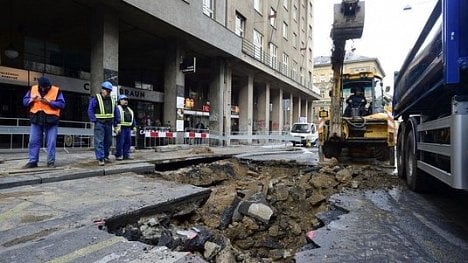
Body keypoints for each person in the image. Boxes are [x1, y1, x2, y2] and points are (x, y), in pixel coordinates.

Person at [22, 77, 66, 168]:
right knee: (33, 141)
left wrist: (49, 102)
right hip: (36, 119)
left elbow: (62, 104)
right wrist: (31, 100)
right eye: (42, 87)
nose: (43, 89)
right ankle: (33, 161)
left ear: (49, 86)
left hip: (51, 120)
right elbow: (25, 102)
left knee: (51, 142)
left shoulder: (56, 90)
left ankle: (50, 162)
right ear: (39, 86)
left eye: (46, 87)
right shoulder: (33, 89)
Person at [88, 81, 120, 166]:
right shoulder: (96, 98)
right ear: (102, 90)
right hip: (99, 123)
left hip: (109, 123)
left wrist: (117, 124)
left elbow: (116, 112)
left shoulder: (112, 100)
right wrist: (94, 120)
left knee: (108, 141)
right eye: (107, 91)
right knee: (99, 141)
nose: (108, 93)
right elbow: (90, 109)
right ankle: (101, 158)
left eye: (109, 91)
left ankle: (105, 156)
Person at [115, 95, 136, 160]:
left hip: (128, 128)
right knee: (120, 142)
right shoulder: (117, 108)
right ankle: (119, 155)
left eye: (126, 100)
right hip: (121, 128)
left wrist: (134, 126)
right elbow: (116, 118)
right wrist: (116, 126)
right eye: (124, 99)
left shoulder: (129, 109)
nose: (126, 101)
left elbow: (133, 118)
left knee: (128, 142)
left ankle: (126, 155)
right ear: (120, 101)